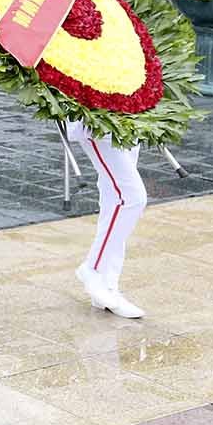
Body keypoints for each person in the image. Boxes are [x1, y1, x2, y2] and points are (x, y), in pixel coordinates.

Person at [66, 118, 149, 319]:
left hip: (130, 110)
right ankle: (92, 268)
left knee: (114, 198)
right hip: (96, 117)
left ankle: (108, 285)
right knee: (132, 198)